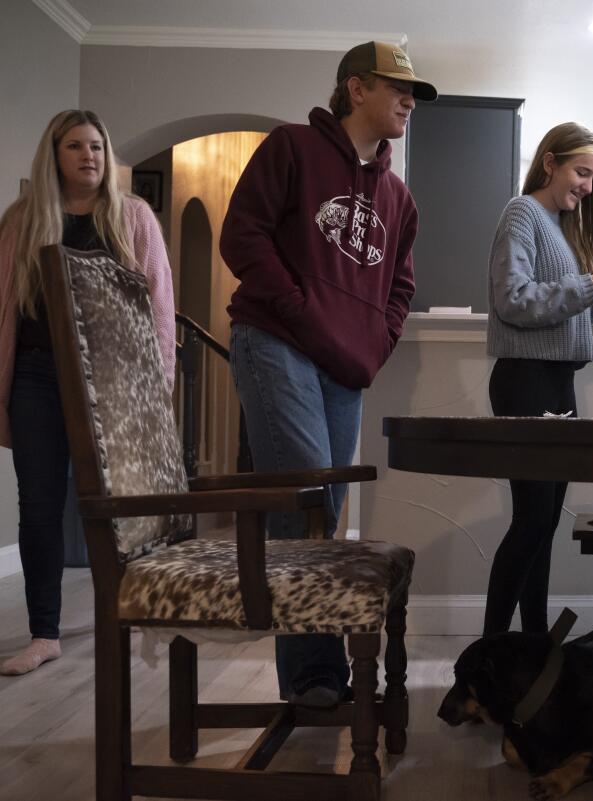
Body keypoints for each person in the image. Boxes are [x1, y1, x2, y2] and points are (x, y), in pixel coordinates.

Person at [219, 42, 436, 708]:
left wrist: (376, 341)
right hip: (275, 340)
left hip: (345, 365)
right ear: (355, 88)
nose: (408, 100)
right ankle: (317, 679)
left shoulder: (398, 198)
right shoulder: (290, 148)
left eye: (412, 92)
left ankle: (314, 678)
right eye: (396, 87)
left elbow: (400, 284)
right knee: (309, 492)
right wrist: (298, 307)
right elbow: (241, 236)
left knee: (323, 510)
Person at [0, 109, 176, 676]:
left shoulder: (132, 217)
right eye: (76, 147)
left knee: (116, 503)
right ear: (54, 154)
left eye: (97, 147)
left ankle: (131, 613)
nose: (89, 156)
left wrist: (157, 388)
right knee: (37, 503)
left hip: (112, 379)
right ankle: (43, 633)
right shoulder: (23, 220)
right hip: (35, 375)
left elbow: (159, 307)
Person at [483, 122, 593, 636]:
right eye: (581, 172)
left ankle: (530, 646)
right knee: (531, 523)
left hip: (553, 384)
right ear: (549, 162)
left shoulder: (556, 226)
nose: (588, 187)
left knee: (543, 525)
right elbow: (514, 300)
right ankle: (493, 651)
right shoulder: (523, 211)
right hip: (527, 382)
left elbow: (557, 315)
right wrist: (587, 285)